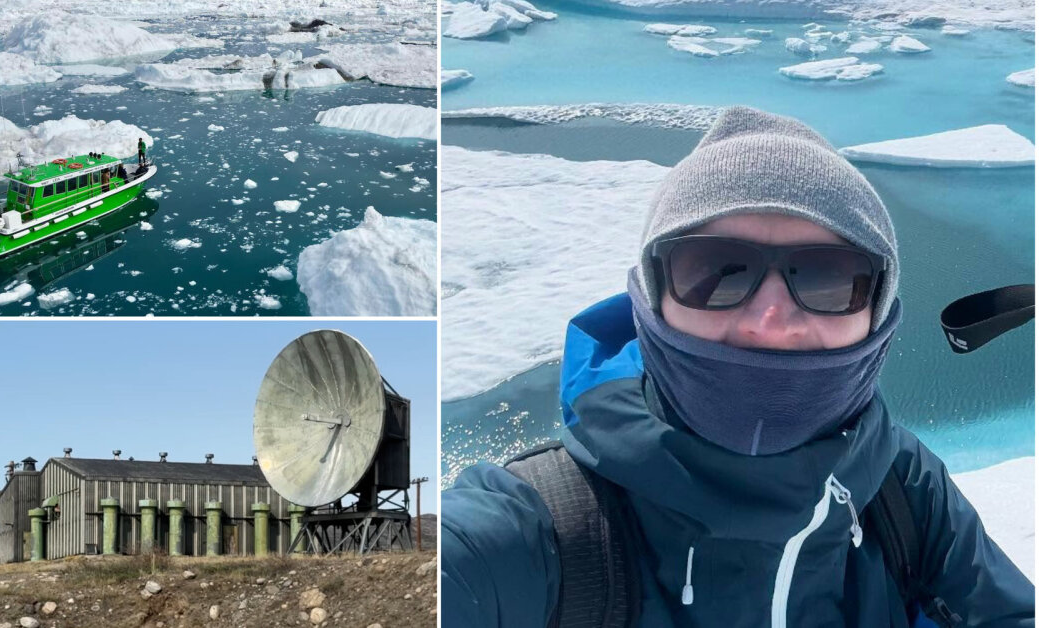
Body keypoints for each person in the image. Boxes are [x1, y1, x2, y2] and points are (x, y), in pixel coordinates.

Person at [441, 107, 1035, 627]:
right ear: (653, 298)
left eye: (829, 278)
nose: (768, 320)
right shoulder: (527, 535)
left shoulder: (902, 486)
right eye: (716, 269)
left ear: (877, 314)